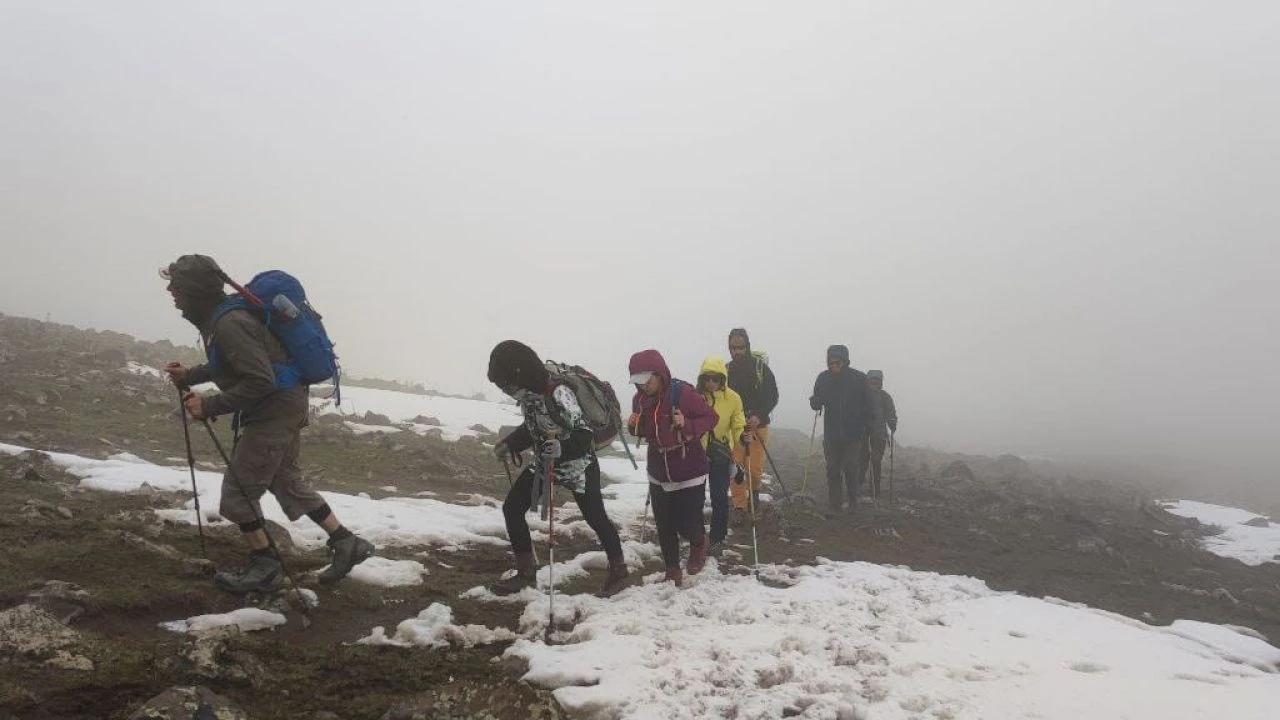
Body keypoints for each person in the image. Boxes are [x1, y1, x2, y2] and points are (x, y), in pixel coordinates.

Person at [160, 254, 373, 594]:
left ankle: (265, 566)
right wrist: (191, 375)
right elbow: (234, 362)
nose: (171, 292)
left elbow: (260, 380)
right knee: (284, 478)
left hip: (275, 409)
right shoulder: (224, 318)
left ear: (196, 290)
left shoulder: (229, 323)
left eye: (177, 285)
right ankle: (347, 542)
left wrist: (209, 405)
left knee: (238, 492)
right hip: (285, 404)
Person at [487, 340, 629, 598]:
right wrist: (510, 444)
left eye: (507, 384)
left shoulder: (559, 392)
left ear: (520, 374)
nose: (506, 391)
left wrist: (560, 449)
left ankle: (619, 570)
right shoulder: (529, 397)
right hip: (546, 462)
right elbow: (534, 428)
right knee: (512, 509)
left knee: (596, 518)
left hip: (579, 465)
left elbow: (583, 434)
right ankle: (526, 573)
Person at [628, 349, 718, 586]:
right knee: (664, 523)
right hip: (658, 470)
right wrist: (634, 427)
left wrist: (686, 424)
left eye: (647, 380)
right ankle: (672, 570)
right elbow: (644, 430)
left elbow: (711, 418)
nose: (643, 386)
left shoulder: (683, 393)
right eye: (638, 381)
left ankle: (698, 542)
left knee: (686, 523)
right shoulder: (639, 400)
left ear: (659, 374)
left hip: (689, 469)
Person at [808, 345, 873, 516]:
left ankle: (853, 501)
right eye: (831, 362)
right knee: (832, 469)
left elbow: (869, 403)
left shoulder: (859, 378)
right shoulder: (823, 378)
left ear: (845, 361)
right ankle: (834, 505)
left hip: (854, 433)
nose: (834, 365)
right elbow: (817, 399)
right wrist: (815, 402)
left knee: (850, 467)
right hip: (832, 433)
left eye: (837, 362)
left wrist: (868, 426)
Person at [725, 328, 779, 517]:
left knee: (754, 469)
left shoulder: (760, 369)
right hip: (735, 429)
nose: (737, 352)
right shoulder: (726, 371)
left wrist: (760, 416)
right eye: (733, 348)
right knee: (737, 468)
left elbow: (773, 396)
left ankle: (754, 493)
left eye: (740, 347)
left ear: (747, 346)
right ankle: (739, 506)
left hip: (758, 426)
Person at [695, 357, 745, 559]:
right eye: (707, 379)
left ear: (723, 378)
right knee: (695, 498)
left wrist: (742, 436)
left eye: (715, 379)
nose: (711, 383)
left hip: (721, 453)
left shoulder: (733, 398)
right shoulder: (695, 396)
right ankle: (697, 538)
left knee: (719, 497)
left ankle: (717, 538)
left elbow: (737, 423)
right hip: (696, 453)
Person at [861, 370, 898, 500]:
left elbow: (891, 412)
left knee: (876, 461)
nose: (874, 383)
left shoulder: (885, 397)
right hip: (862, 435)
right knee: (862, 461)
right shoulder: (861, 396)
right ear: (867, 381)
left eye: (877, 380)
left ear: (881, 382)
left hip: (879, 435)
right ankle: (858, 486)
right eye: (872, 380)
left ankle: (875, 490)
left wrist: (892, 422)